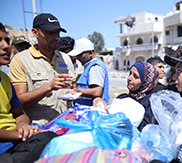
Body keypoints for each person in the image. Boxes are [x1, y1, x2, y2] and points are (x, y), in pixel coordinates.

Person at [0, 22, 57, 162]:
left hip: (19, 141)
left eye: (7, 40)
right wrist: (22, 133)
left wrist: (23, 126)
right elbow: (22, 99)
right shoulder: (20, 60)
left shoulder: (4, 79)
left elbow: (19, 113)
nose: (6, 46)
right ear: (35, 33)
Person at [9, 13, 75, 126]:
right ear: (35, 32)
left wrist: (73, 92)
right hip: (40, 130)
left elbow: (74, 86)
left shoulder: (65, 59)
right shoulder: (20, 60)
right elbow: (18, 102)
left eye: (57, 33)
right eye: (50, 32)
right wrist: (49, 87)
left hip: (66, 126)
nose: (56, 37)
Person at [93, 61, 159, 131]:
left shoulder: (150, 104)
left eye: (135, 76)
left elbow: (145, 130)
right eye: (130, 73)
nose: (129, 78)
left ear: (146, 82)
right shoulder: (122, 98)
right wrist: (99, 102)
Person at [68, 37, 110, 106]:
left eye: (80, 55)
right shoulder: (89, 66)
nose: (77, 58)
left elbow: (97, 92)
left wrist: (77, 90)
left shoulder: (95, 67)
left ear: (90, 52)